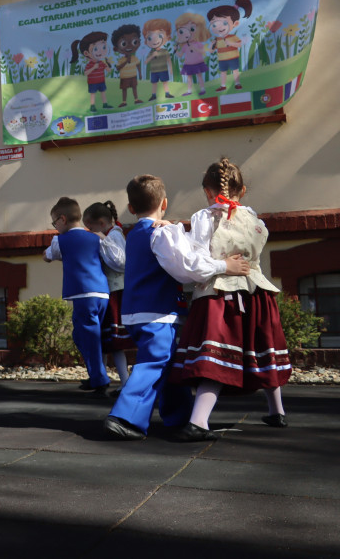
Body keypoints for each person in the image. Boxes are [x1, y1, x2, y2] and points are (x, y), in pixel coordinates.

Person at [104, 174, 247, 441]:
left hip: (136, 311)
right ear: (165, 203)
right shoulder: (161, 232)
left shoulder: (134, 234)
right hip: (158, 311)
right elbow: (185, 269)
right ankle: (124, 417)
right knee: (155, 362)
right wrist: (223, 266)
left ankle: (179, 415)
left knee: (169, 363)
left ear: (132, 209)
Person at [168, 157, 291, 440]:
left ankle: (199, 420)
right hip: (256, 293)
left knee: (216, 356)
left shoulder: (203, 218)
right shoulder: (254, 219)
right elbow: (259, 243)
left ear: (207, 191)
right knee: (262, 349)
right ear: (243, 190)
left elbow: (198, 258)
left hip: (219, 295)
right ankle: (277, 411)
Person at [44, 197, 110, 397]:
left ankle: (100, 379)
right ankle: (96, 374)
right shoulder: (96, 237)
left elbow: (47, 255)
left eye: (55, 222)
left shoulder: (60, 240)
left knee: (86, 337)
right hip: (102, 292)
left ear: (62, 219)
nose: (55, 227)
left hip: (83, 294)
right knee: (89, 336)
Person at [82, 201, 131, 385]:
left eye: (91, 227)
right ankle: (100, 378)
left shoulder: (114, 236)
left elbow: (120, 262)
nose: (90, 231)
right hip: (107, 292)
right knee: (101, 339)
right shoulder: (107, 235)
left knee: (116, 342)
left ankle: (125, 382)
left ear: (102, 223)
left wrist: (102, 240)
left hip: (116, 292)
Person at [207, 0, 252, 92]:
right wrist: (211, 45)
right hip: (222, 59)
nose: (218, 27)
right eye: (214, 24)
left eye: (224, 23)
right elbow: (211, 51)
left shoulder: (232, 37)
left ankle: (237, 83)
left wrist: (230, 43)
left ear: (235, 24)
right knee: (223, 72)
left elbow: (239, 45)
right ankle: (223, 85)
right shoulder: (217, 39)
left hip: (232, 58)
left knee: (235, 71)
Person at [71, 31, 112, 112]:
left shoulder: (101, 63)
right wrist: (93, 68)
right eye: (96, 49)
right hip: (92, 82)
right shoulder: (89, 65)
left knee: (103, 92)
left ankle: (105, 104)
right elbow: (86, 73)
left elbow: (109, 70)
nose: (101, 51)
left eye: (104, 47)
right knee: (93, 94)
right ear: (86, 53)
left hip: (101, 81)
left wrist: (108, 64)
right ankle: (92, 106)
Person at [174, 12, 210, 96]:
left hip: (198, 63)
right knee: (189, 78)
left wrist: (195, 48)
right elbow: (180, 55)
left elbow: (203, 52)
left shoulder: (198, 44)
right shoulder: (185, 46)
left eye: (192, 30)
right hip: (188, 65)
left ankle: (202, 89)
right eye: (182, 31)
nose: (188, 34)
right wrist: (175, 51)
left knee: (199, 76)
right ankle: (189, 91)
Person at [143, 18, 175, 101]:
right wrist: (152, 56)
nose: (155, 40)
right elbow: (146, 62)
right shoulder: (151, 52)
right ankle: (153, 95)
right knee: (154, 83)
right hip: (154, 71)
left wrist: (171, 69)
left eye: (159, 36)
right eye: (150, 38)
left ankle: (167, 93)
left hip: (163, 69)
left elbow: (169, 60)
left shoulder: (165, 51)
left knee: (165, 82)